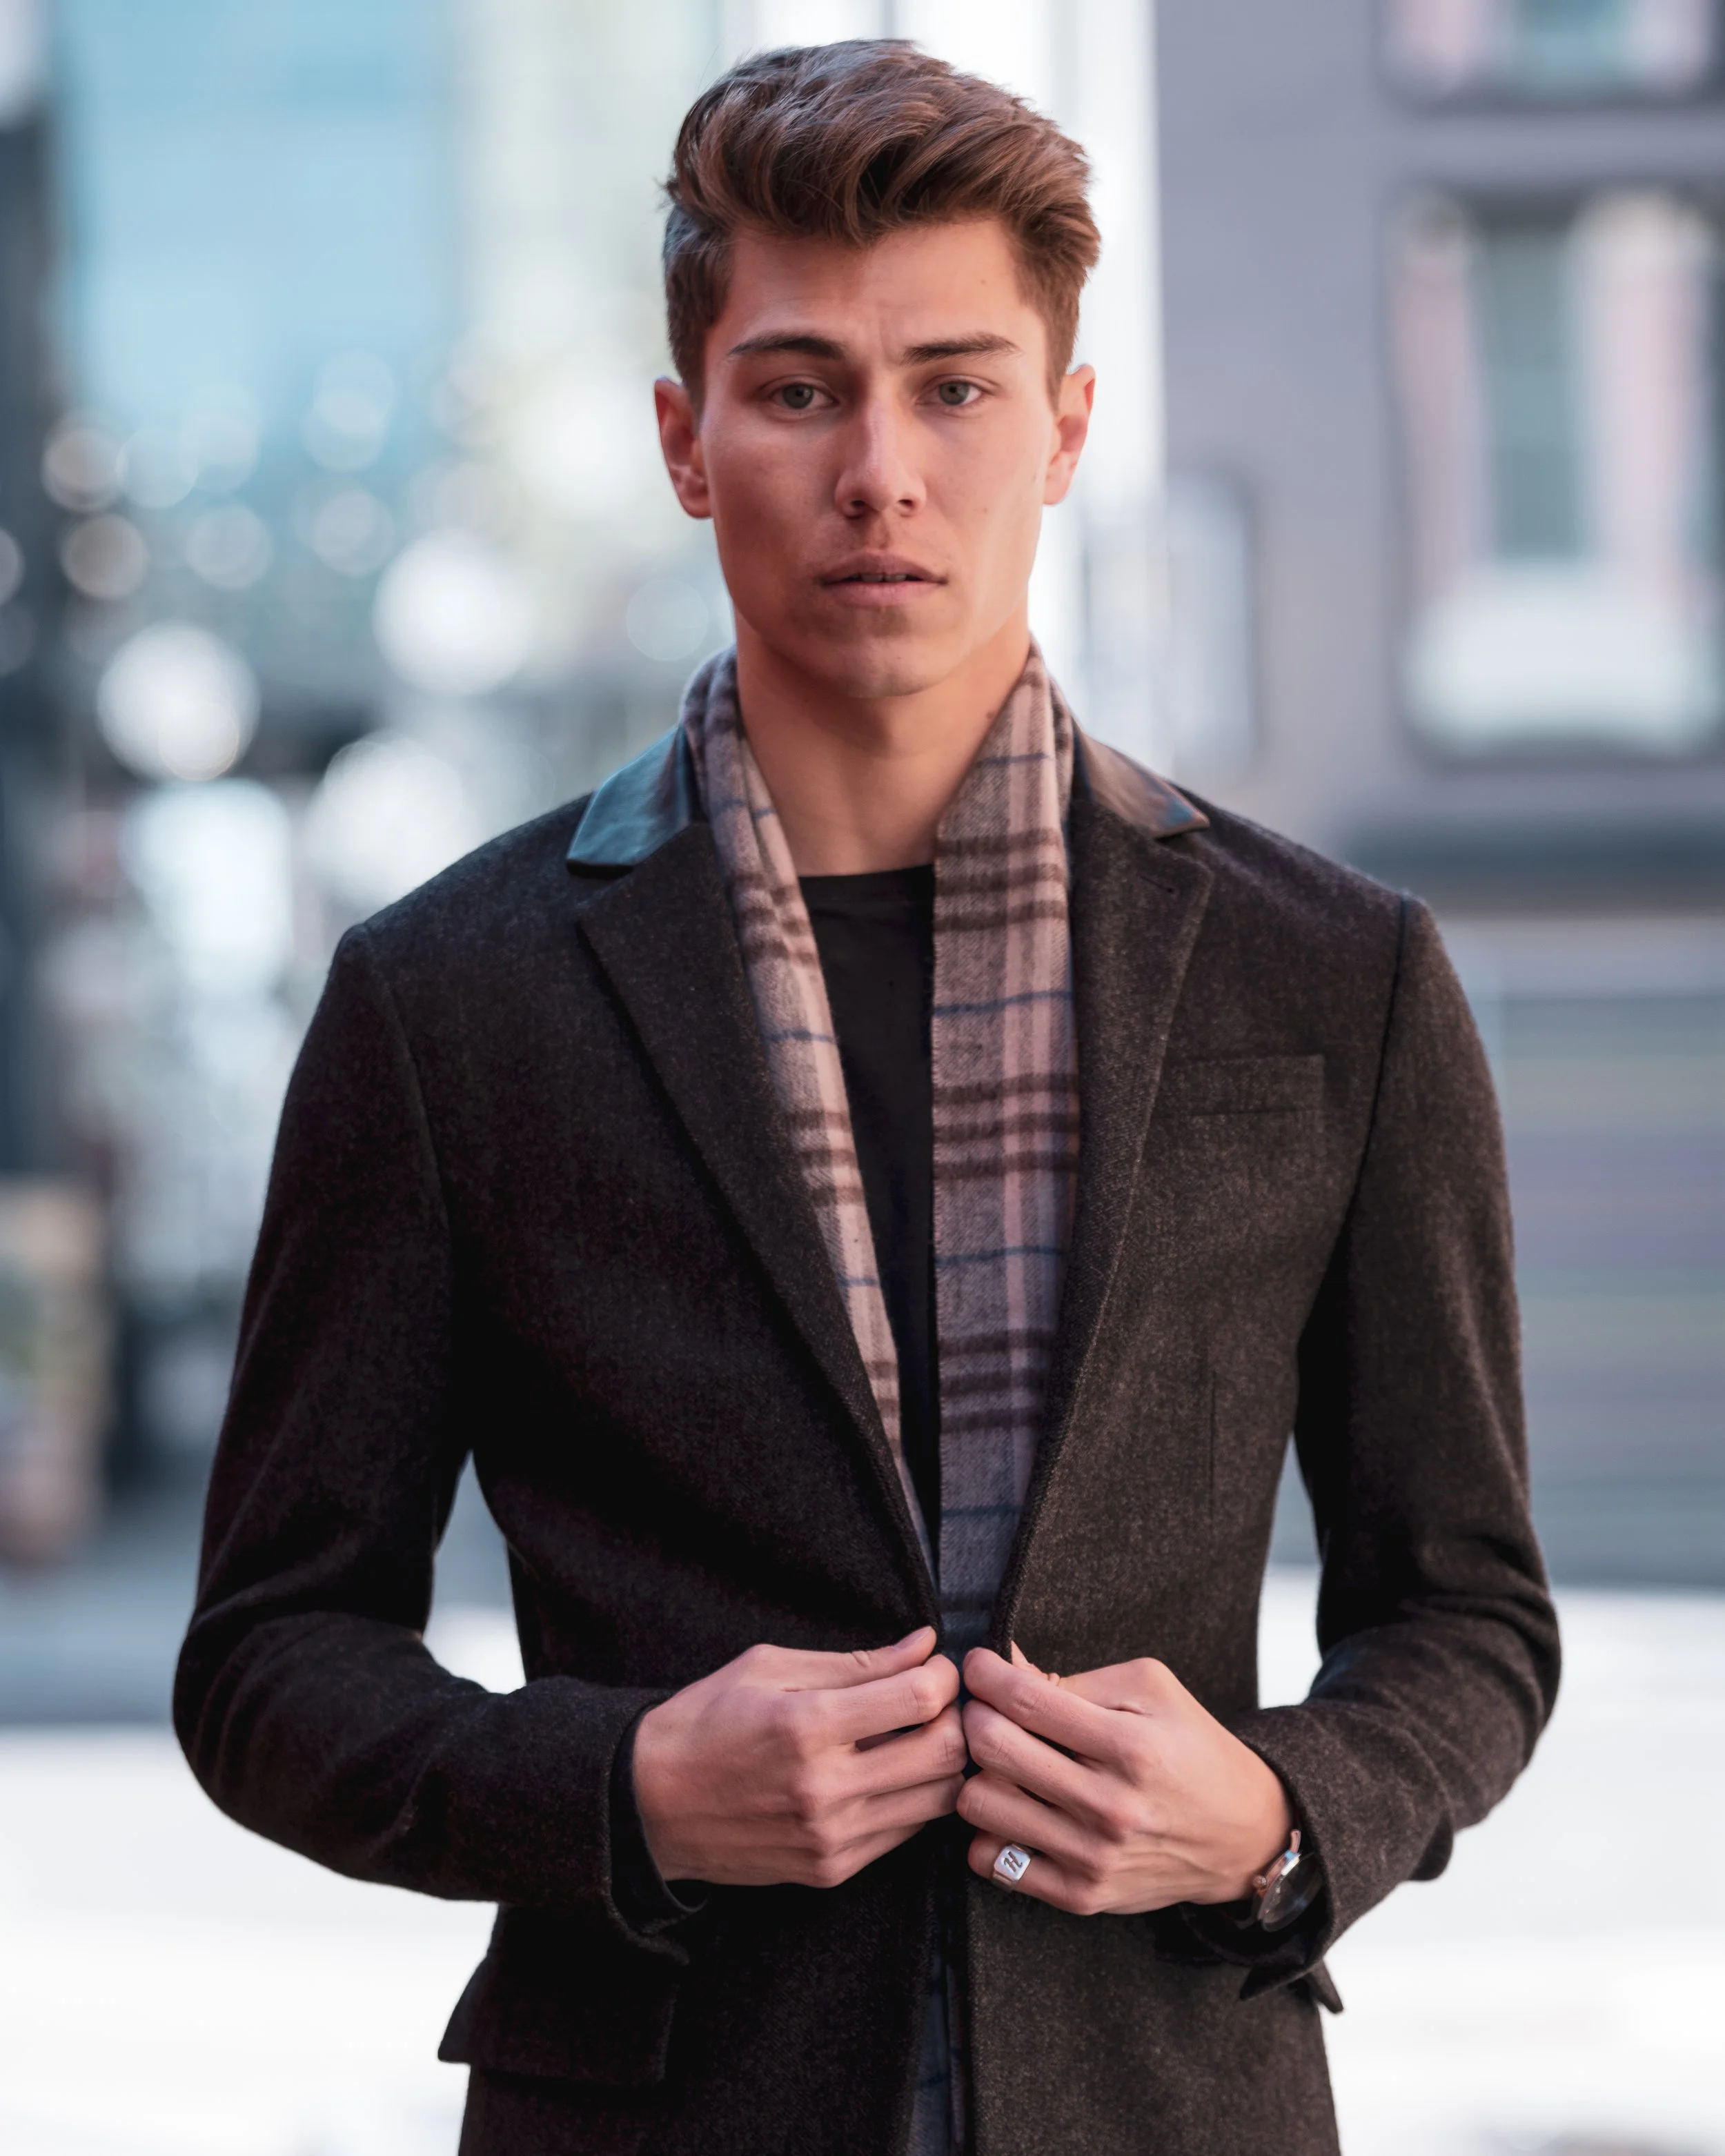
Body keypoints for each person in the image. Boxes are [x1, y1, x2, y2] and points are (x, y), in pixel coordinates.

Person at [175, 40, 1559, 2156]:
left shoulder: (1330, 976)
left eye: (955, 386)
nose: (881, 470)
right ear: (685, 438)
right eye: (801, 387)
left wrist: (1281, 1809)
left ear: (1065, 426)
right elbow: (269, 1657)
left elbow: (1465, 1610)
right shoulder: (444, 1000)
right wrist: (626, 1784)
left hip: (1166, 2101)